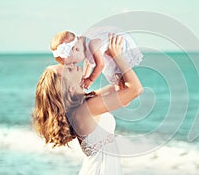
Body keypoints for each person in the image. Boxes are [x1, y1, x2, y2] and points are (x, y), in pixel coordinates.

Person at [33, 34, 143, 174]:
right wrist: (116, 56)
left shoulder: (85, 103)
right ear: (70, 88)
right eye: (69, 69)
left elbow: (121, 89)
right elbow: (135, 90)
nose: (72, 64)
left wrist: (106, 55)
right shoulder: (86, 110)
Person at [50, 27, 143, 90]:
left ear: (76, 49)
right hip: (110, 52)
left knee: (120, 80)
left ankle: (125, 90)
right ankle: (124, 91)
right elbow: (88, 63)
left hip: (120, 45)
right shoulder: (85, 48)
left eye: (74, 62)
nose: (75, 64)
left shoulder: (92, 44)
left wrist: (90, 79)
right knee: (119, 83)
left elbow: (100, 64)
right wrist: (85, 76)